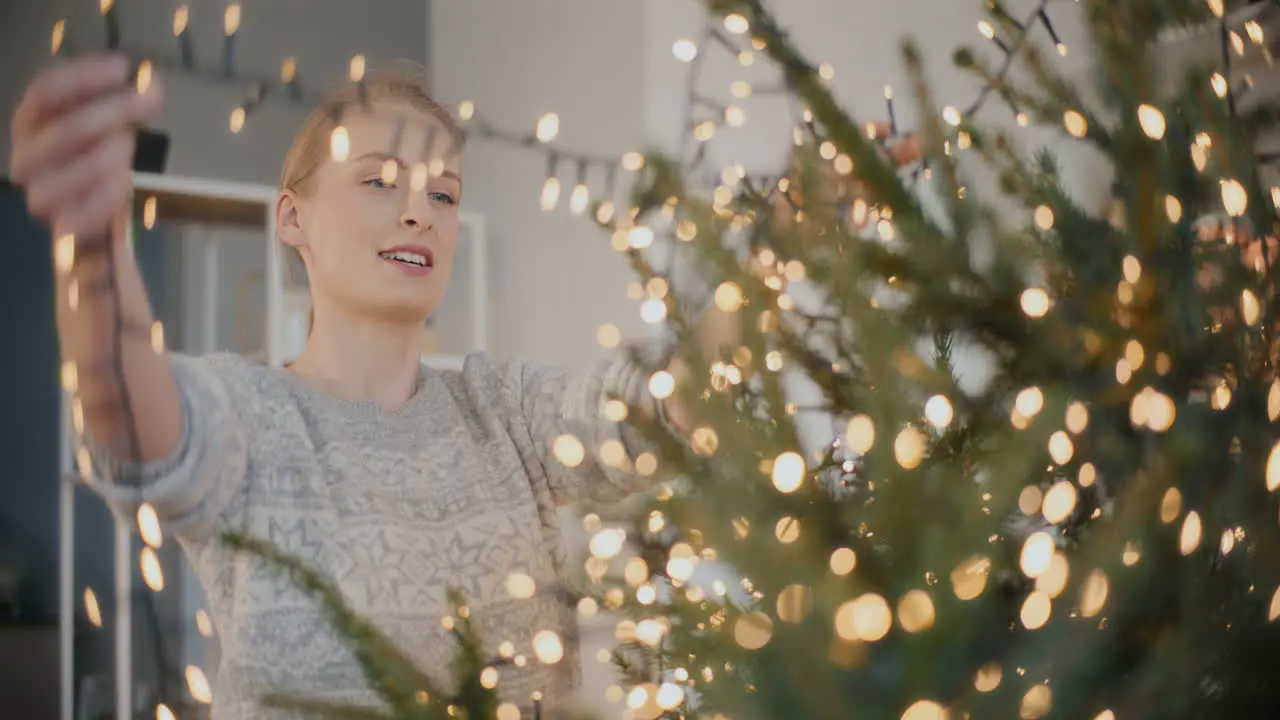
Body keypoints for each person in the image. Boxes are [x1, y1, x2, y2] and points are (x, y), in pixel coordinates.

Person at [9, 55, 679, 719]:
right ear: (293, 218)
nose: (420, 211)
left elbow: (649, 410)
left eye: (443, 193)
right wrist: (92, 240)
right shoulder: (249, 415)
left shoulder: (505, 410)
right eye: (381, 181)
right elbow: (127, 422)